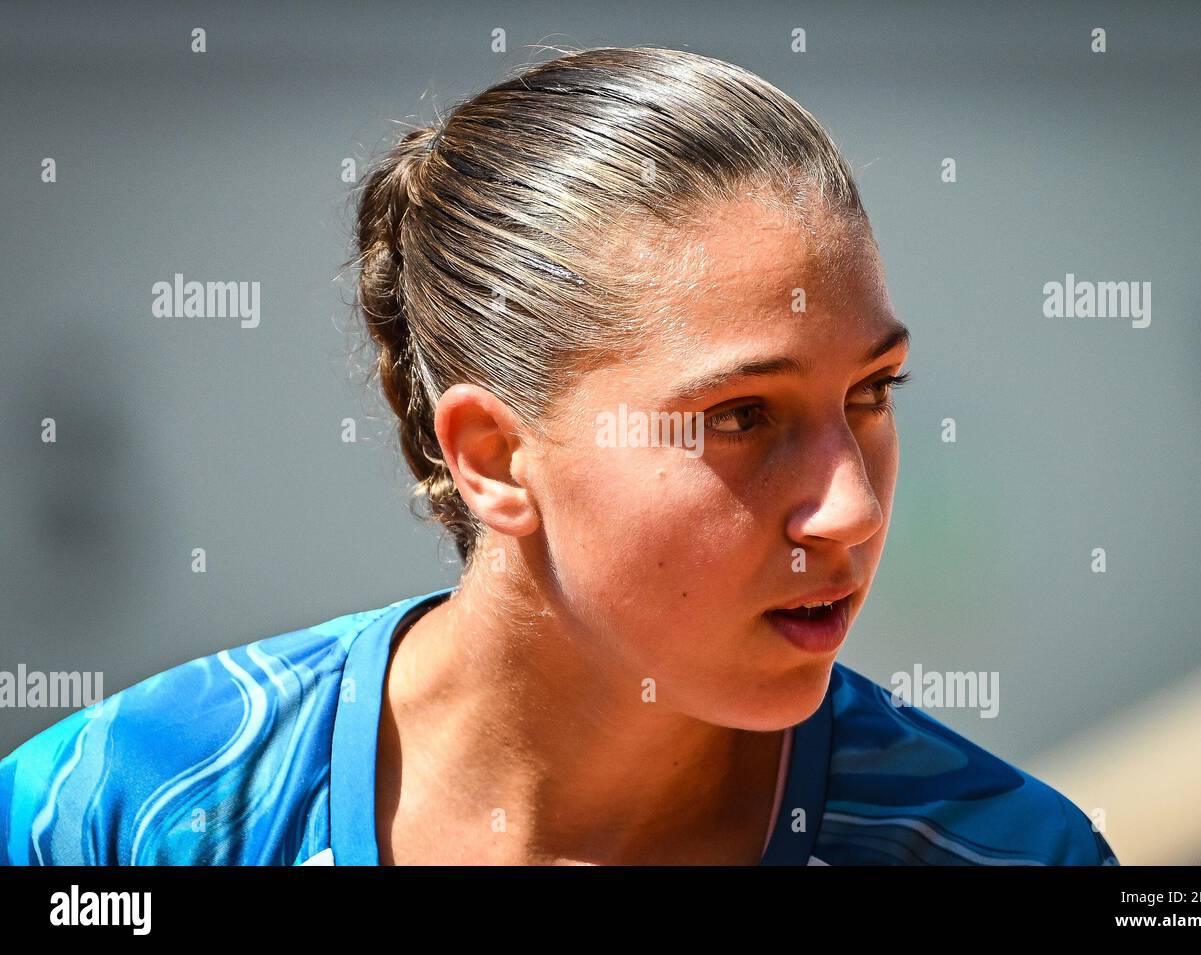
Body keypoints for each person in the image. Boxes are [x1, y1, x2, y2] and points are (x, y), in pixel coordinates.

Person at [0, 46, 1117, 866]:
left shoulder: (1005, 851)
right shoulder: (112, 815)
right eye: (739, 416)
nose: (850, 509)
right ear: (492, 455)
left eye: (870, 394)